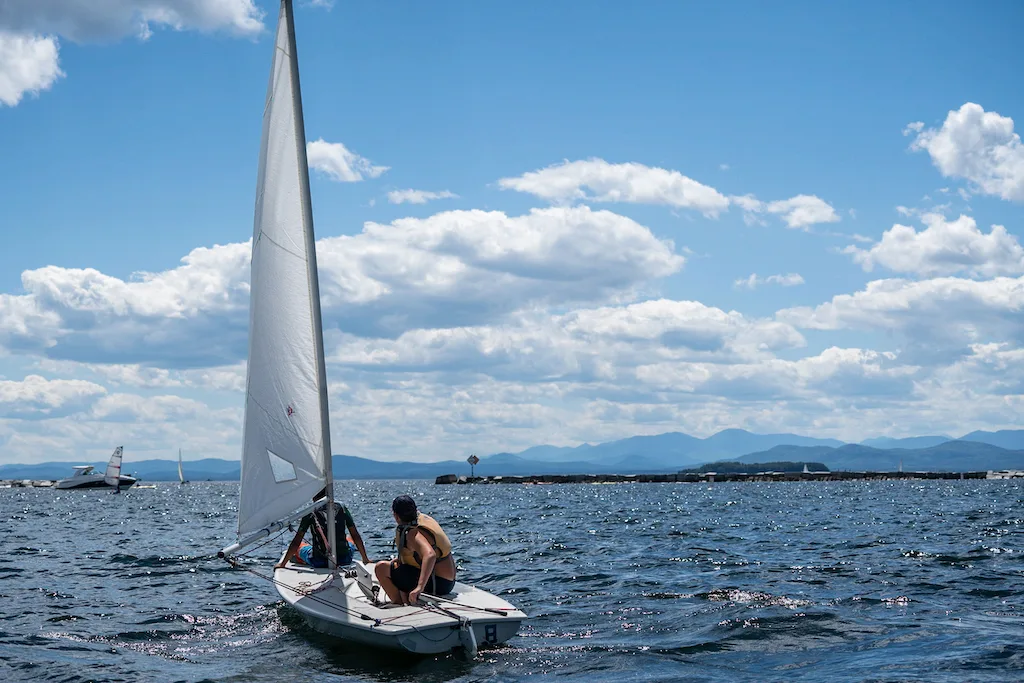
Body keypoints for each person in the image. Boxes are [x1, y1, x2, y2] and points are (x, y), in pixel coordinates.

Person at [374, 495, 456, 605]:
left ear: (396, 516)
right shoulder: (422, 519)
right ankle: (406, 598)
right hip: (448, 583)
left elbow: (430, 555)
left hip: (438, 585)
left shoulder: (412, 533)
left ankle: (398, 605)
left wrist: (419, 587)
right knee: (397, 566)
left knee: (381, 568)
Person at [276, 487, 370, 569]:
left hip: (319, 561)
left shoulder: (310, 511)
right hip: (345, 559)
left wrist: (282, 564)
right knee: (350, 538)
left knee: (300, 546)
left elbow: (296, 542)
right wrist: (365, 559)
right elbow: (355, 535)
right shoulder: (342, 507)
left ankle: (300, 558)